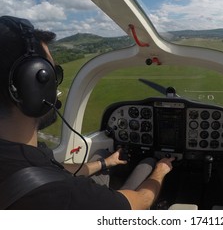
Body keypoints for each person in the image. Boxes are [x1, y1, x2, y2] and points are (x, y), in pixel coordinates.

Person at [0, 15, 175, 210]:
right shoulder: (62, 194)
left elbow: (54, 170)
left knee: (100, 154)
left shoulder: (19, 160)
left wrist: (104, 163)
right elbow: (139, 202)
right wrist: (160, 170)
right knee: (148, 163)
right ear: (32, 84)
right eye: (52, 75)